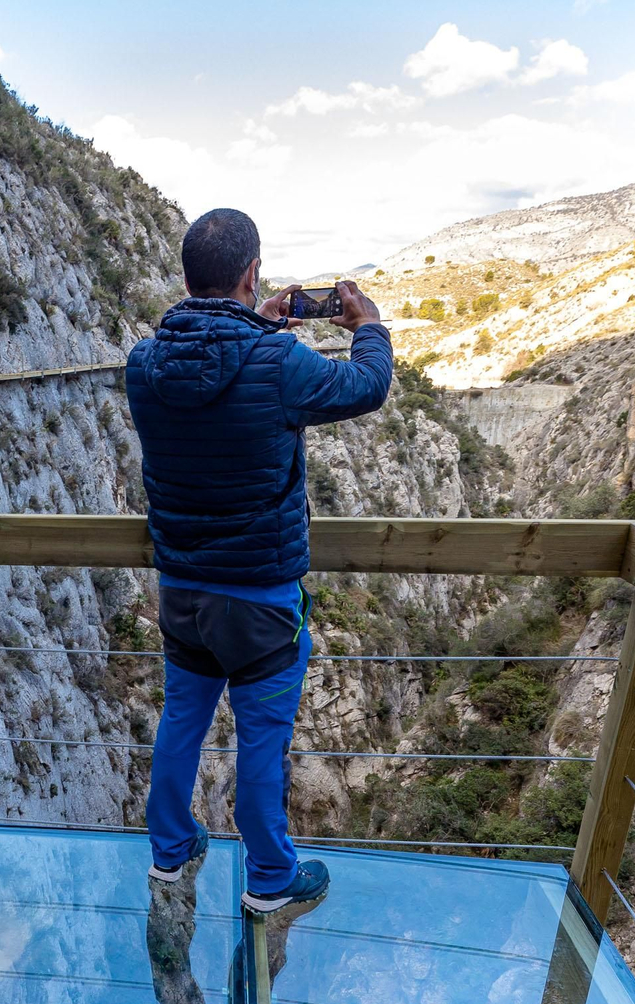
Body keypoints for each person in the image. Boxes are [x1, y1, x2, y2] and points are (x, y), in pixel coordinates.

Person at [124, 208, 392, 915]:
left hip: (181, 592)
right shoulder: (278, 364)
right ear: (251, 274)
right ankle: (270, 878)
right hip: (261, 599)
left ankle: (169, 851)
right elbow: (365, 387)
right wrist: (367, 326)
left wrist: (257, 322)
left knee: (182, 720)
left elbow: (199, 360)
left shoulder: (144, 366)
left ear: (188, 278)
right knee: (262, 743)